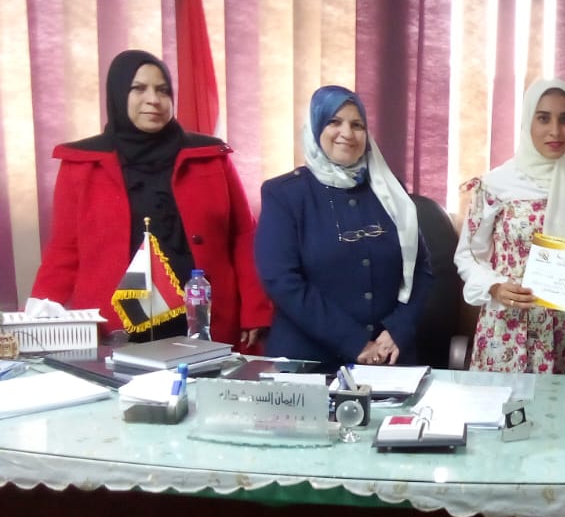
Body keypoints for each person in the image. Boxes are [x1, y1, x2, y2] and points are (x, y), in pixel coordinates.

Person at [30, 49, 271, 347]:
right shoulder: (81, 163)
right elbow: (64, 248)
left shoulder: (210, 156)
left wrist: (255, 310)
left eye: (163, 90)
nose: (153, 99)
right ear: (118, 94)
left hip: (202, 318)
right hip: (116, 325)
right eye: (139, 88)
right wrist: (38, 314)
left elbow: (243, 237)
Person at [255, 85, 432, 370]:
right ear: (315, 127)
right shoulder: (284, 194)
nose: (347, 133)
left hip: (388, 361)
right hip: (308, 361)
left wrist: (398, 330)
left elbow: (421, 269)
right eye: (334, 122)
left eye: (357, 125)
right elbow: (282, 280)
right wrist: (355, 342)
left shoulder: (390, 190)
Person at [454, 78, 565, 374]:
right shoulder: (496, 185)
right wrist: (494, 286)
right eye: (543, 118)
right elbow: (468, 256)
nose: (555, 131)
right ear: (528, 121)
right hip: (510, 328)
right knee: (506, 403)